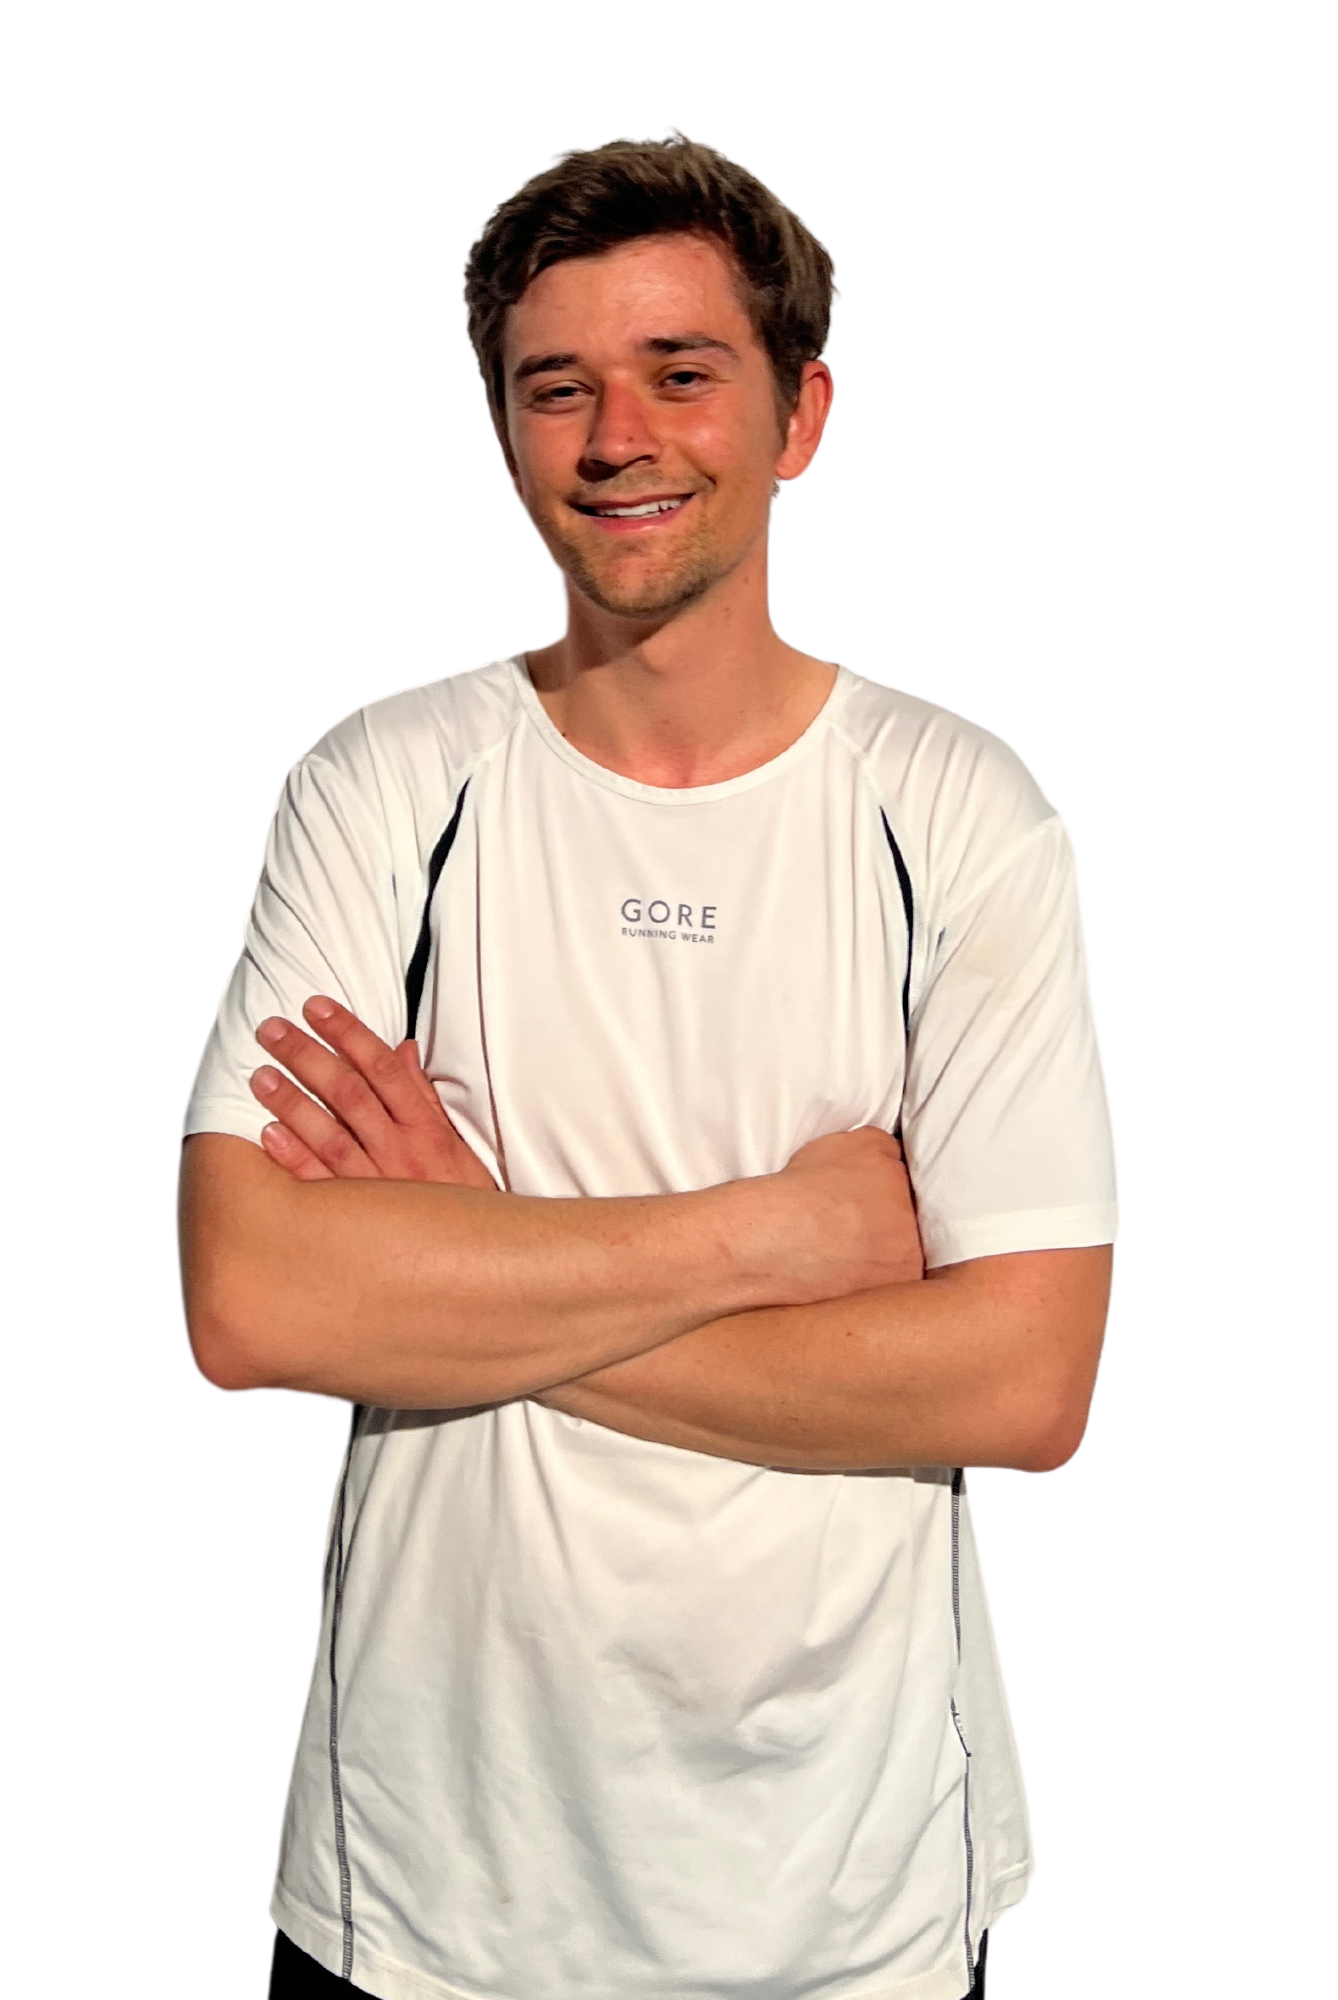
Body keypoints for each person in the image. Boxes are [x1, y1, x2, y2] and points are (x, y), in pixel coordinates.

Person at [177, 126, 1119, 2000]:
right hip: (440, 1861)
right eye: (558, 388)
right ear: (504, 432)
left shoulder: (958, 808)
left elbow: (1023, 1386)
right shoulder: (382, 783)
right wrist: (784, 1233)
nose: (617, 437)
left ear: (799, 416)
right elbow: (255, 1307)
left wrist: (466, 1251)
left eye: (681, 373)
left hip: (851, 1858)